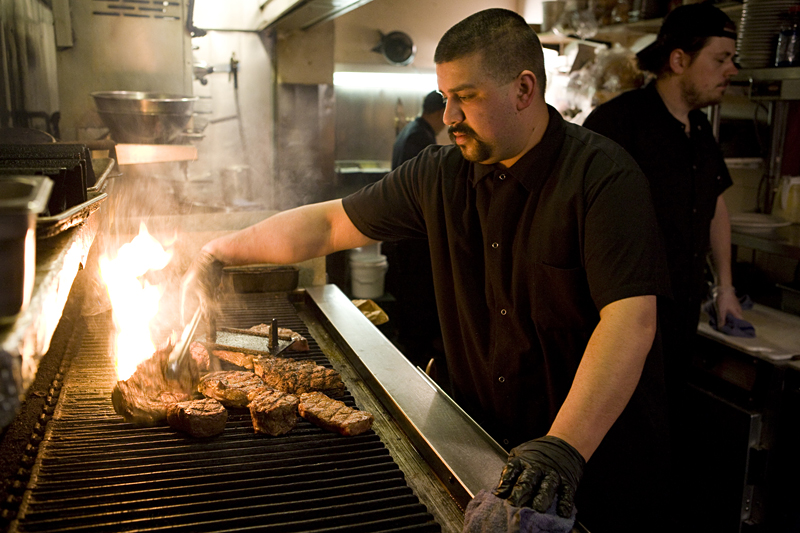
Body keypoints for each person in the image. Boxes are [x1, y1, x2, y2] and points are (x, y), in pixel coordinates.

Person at [182, 8, 672, 531]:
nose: (450, 117)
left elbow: (629, 322)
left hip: (586, 462)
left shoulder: (604, 179)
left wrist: (563, 448)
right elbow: (327, 226)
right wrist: (217, 251)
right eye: (445, 98)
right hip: (479, 446)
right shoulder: (438, 176)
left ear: (524, 89)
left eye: (467, 96)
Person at [583, 2, 743, 423]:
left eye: (733, 59)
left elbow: (715, 207)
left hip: (680, 324)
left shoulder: (701, 129)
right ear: (678, 60)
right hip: (619, 327)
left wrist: (725, 288)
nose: (732, 70)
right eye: (721, 58)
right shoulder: (617, 122)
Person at [384, 91, 446, 378]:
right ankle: (414, 370)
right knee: (415, 304)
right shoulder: (419, 137)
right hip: (410, 237)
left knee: (411, 301)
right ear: (439, 112)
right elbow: (421, 194)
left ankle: (413, 360)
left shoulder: (412, 130)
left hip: (404, 235)